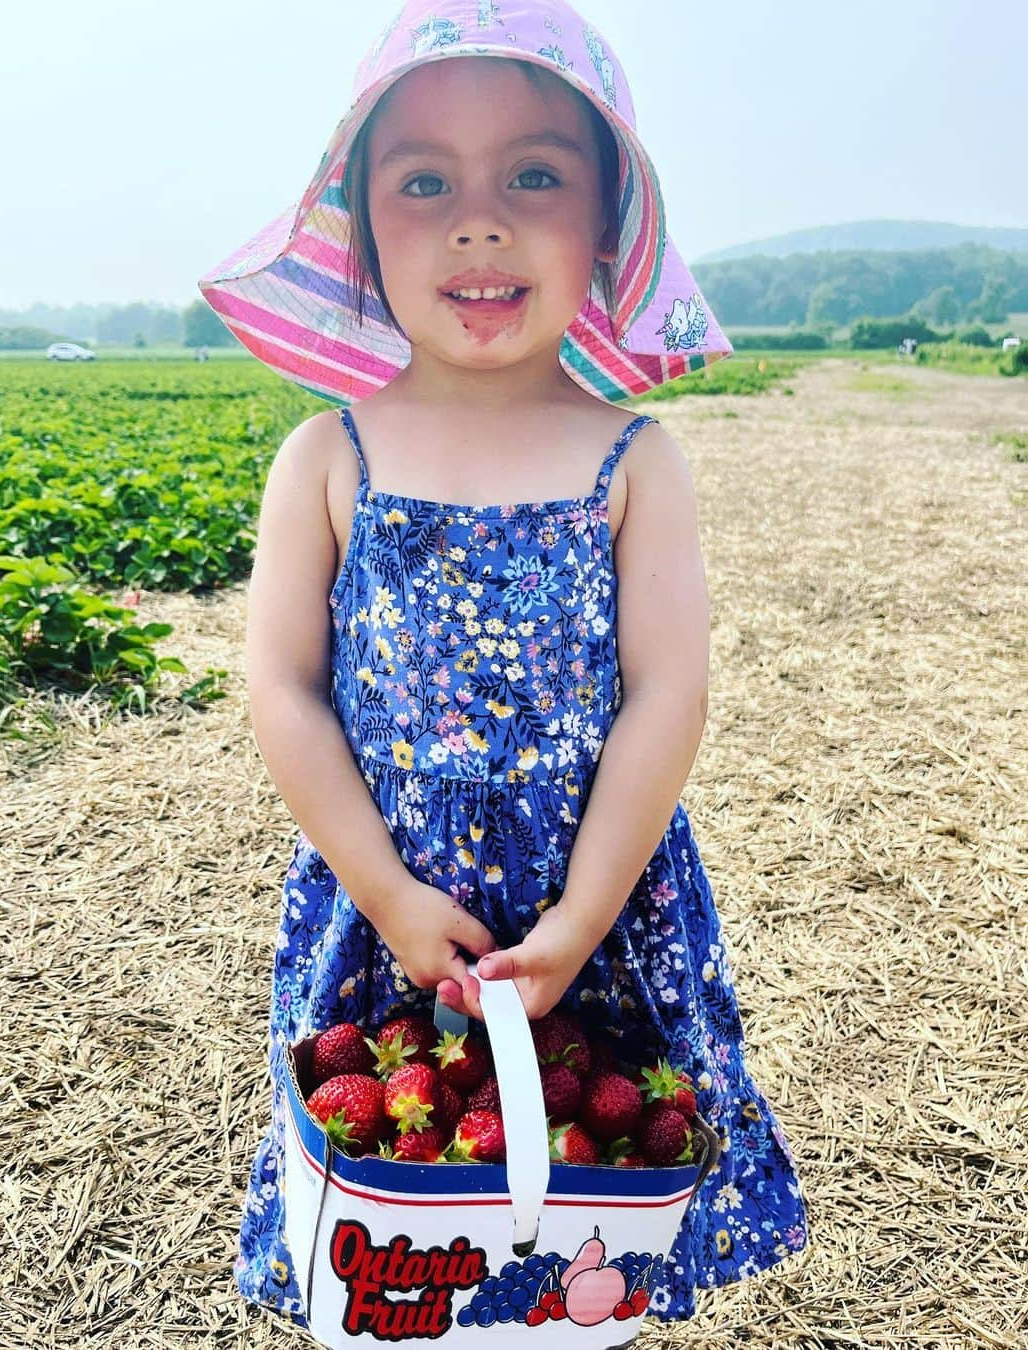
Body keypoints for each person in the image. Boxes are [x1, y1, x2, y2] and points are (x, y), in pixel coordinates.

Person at [198, 0, 808, 1330]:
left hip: (590, 907)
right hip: (389, 910)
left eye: (534, 173)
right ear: (362, 227)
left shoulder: (634, 459)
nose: (481, 220)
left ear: (604, 227)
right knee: (396, 1210)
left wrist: (586, 912)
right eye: (426, 181)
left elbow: (669, 693)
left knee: (589, 1212)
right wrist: (389, 890)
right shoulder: (326, 460)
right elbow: (282, 692)